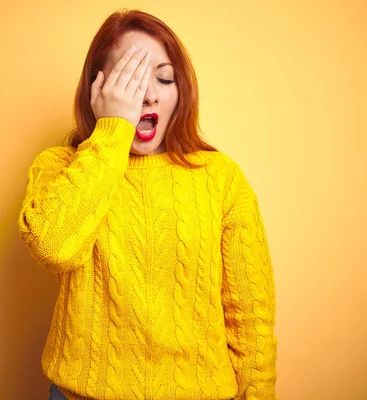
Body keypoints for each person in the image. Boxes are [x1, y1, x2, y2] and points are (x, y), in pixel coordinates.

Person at [17, 8, 278, 400]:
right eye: (131, 78)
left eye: (164, 77)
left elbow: (251, 319)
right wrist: (111, 133)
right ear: (98, 89)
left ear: (181, 89)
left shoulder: (221, 178)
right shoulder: (60, 167)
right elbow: (53, 246)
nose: (148, 93)